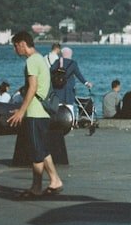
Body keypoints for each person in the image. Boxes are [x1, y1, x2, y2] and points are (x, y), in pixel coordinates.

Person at [6, 31, 63, 197]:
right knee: (41, 149)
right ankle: (55, 180)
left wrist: (21, 111)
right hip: (43, 112)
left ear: (23, 44)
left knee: (37, 150)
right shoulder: (40, 59)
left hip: (35, 112)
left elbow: (32, 87)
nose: (15, 50)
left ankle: (37, 187)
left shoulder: (31, 61)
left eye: (15, 46)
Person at [50, 46, 92, 125]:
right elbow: (79, 75)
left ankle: (57, 122)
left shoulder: (57, 61)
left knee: (58, 105)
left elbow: (51, 71)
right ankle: (70, 124)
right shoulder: (73, 63)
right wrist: (86, 83)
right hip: (69, 89)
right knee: (69, 106)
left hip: (58, 87)